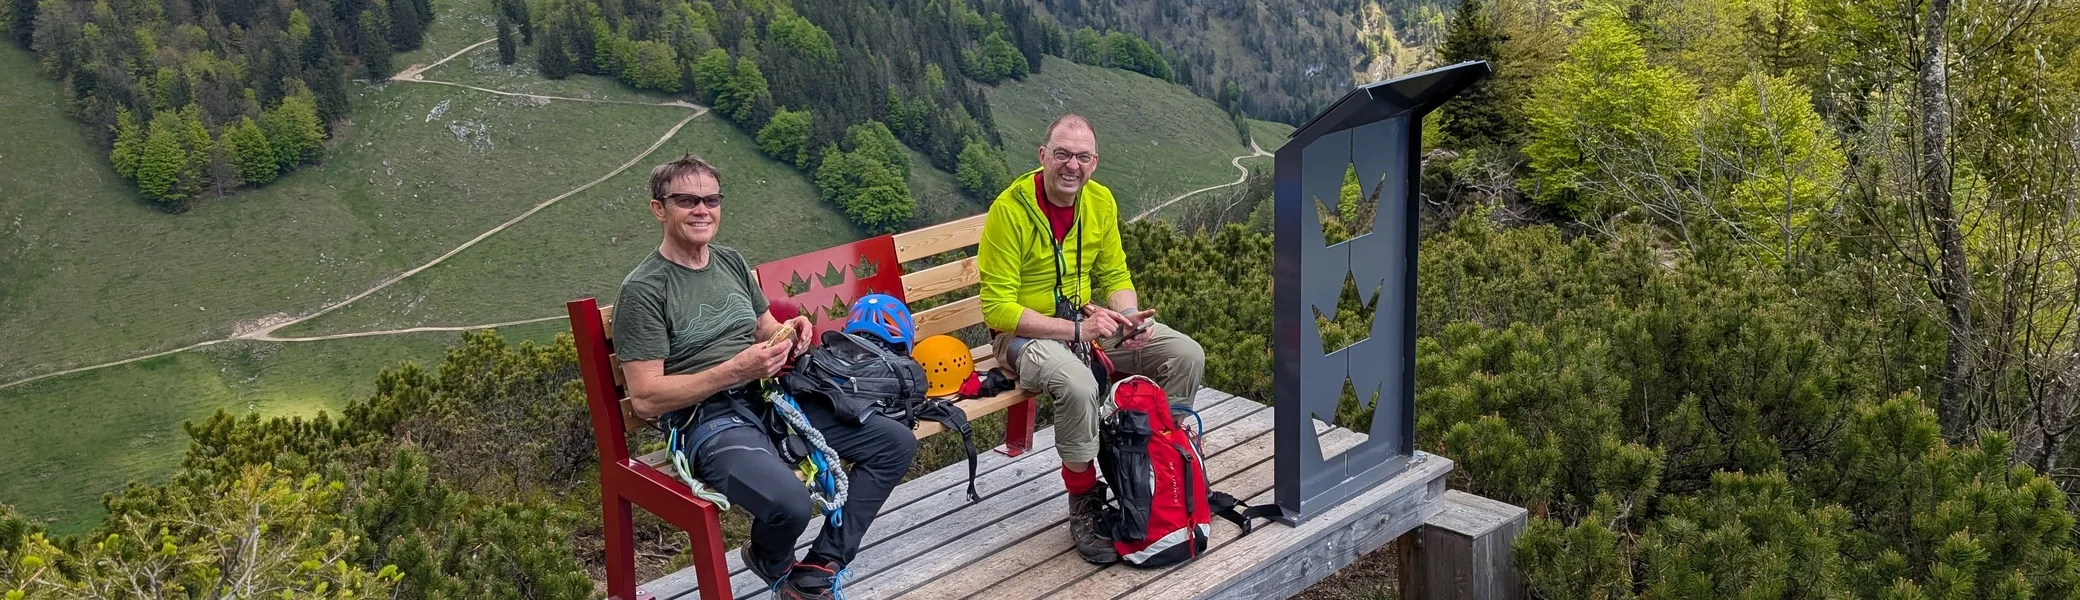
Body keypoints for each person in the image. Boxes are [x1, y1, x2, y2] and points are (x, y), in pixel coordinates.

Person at [613, 154, 917, 599]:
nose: (702, 209)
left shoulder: (730, 262)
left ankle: (821, 564)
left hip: (772, 398)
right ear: (659, 209)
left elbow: (763, 327)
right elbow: (646, 398)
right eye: (687, 200)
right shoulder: (644, 290)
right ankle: (771, 561)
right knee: (788, 505)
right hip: (709, 420)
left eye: (711, 199)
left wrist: (789, 333)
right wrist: (735, 370)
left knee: (894, 443)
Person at [975, 114, 1208, 564]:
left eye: (1082, 157)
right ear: (1043, 156)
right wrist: (1078, 330)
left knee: (1185, 353)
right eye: (1062, 154)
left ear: (1095, 163)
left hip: (1086, 323)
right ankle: (1082, 498)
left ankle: (1161, 462)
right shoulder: (1010, 211)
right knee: (1078, 383)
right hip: (1022, 335)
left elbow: (1115, 273)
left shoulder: (1099, 202)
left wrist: (1127, 319)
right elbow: (998, 310)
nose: (1071, 166)